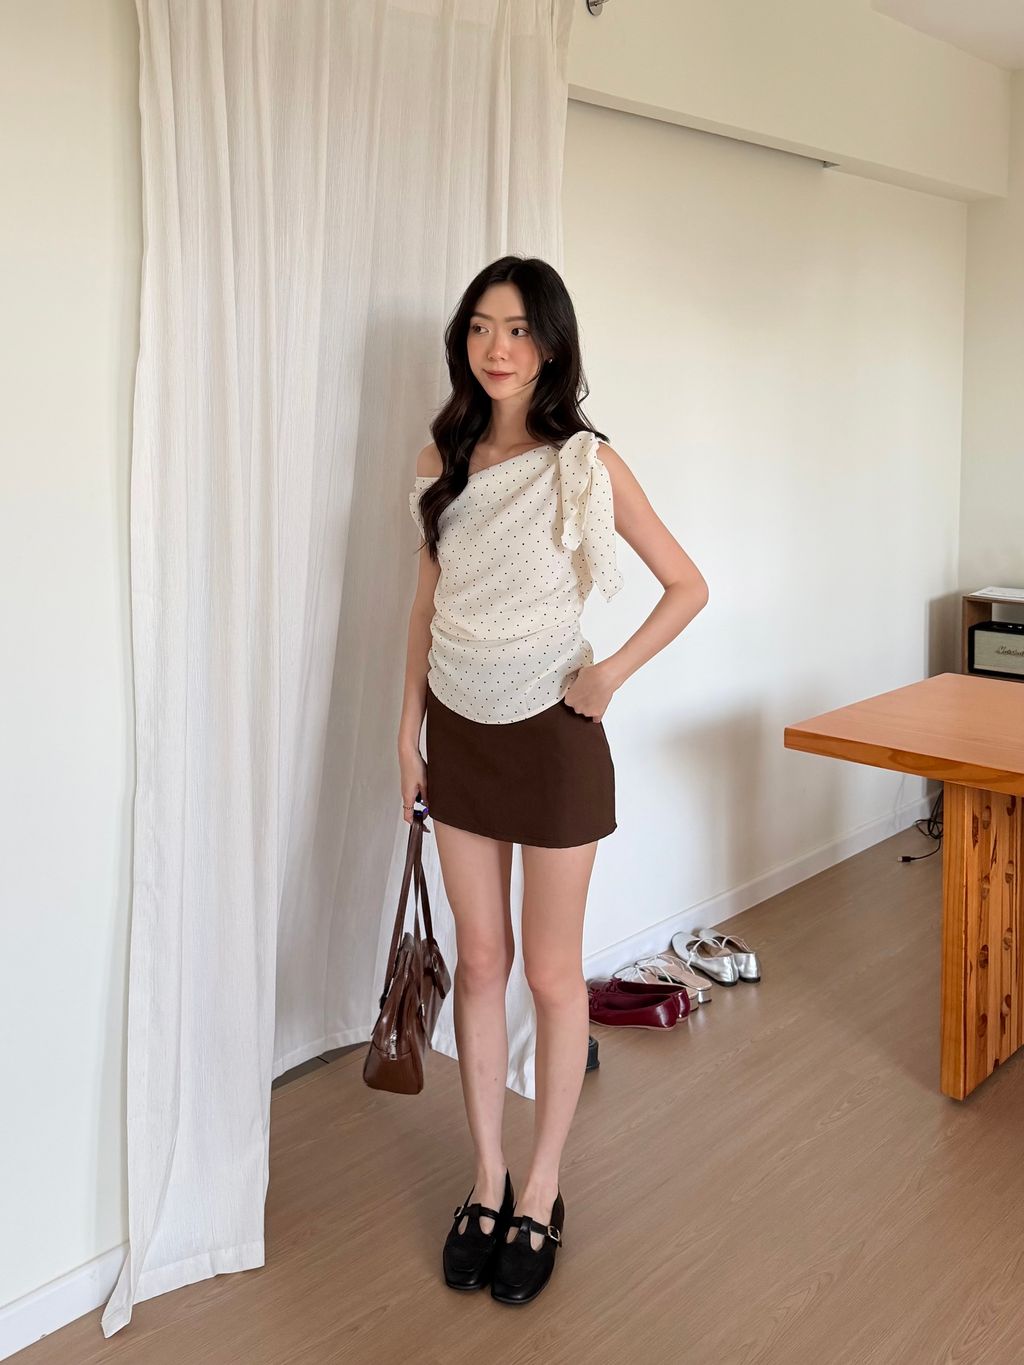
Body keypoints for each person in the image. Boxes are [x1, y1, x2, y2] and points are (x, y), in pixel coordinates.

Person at [397, 255, 709, 1305]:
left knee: (550, 972)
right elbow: (424, 609)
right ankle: (485, 1178)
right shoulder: (443, 461)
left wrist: (607, 675)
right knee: (479, 962)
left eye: (520, 328)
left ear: (551, 344)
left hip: (554, 735)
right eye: (482, 326)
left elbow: (686, 585)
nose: (498, 347)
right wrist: (406, 734)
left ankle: (541, 1188)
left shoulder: (585, 462)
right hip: (458, 733)